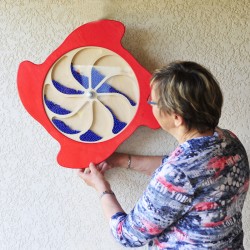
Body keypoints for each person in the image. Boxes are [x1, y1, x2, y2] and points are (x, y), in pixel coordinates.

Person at [78, 61, 249, 250]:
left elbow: (126, 235)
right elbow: (185, 174)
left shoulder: (179, 171)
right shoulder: (228, 140)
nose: (151, 106)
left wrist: (101, 187)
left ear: (177, 117)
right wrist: (120, 159)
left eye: (153, 101)